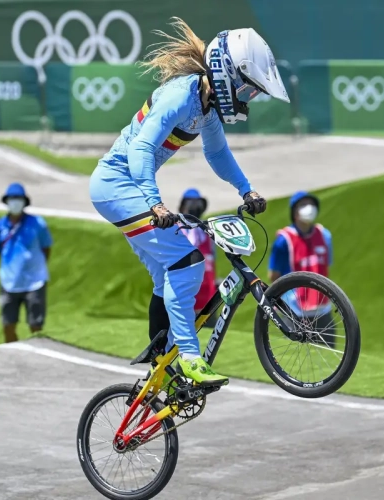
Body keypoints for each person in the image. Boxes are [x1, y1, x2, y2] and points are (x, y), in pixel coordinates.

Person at [87, 17, 288, 386]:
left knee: (167, 276)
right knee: (188, 261)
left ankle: (158, 370)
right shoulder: (181, 96)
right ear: (229, 76)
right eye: (248, 91)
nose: (247, 100)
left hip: (126, 188)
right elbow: (141, 149)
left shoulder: (205, 108)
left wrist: (247, 190)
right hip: (116, 185)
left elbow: (218, 155)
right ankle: (191, 358)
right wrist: (155, 203)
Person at [267, 191, 336, 348]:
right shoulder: (284, 240)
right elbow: (274, 275)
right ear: (294, 212)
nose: (309, 209)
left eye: (310, 204)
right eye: (303, 205)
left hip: (323, 309)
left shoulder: (325, 236)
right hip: (295, 311)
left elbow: (326, 266)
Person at [0, 183, 53, 343]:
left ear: (24, 201)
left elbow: (46, 247)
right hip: (9, 282)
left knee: (36, 325)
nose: (15, 202)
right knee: (8, 325)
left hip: (34, 282)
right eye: (12, 199)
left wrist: (36, 267)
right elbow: (0, 250)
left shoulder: (38, 224)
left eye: (18, 198)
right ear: (7, 201)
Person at [178, 188, 219, 328]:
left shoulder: (207, 233)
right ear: (183, 206)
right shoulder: (177, 231)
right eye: (191, 204)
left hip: (208, 298)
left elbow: (212, 261)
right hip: (186, 298)